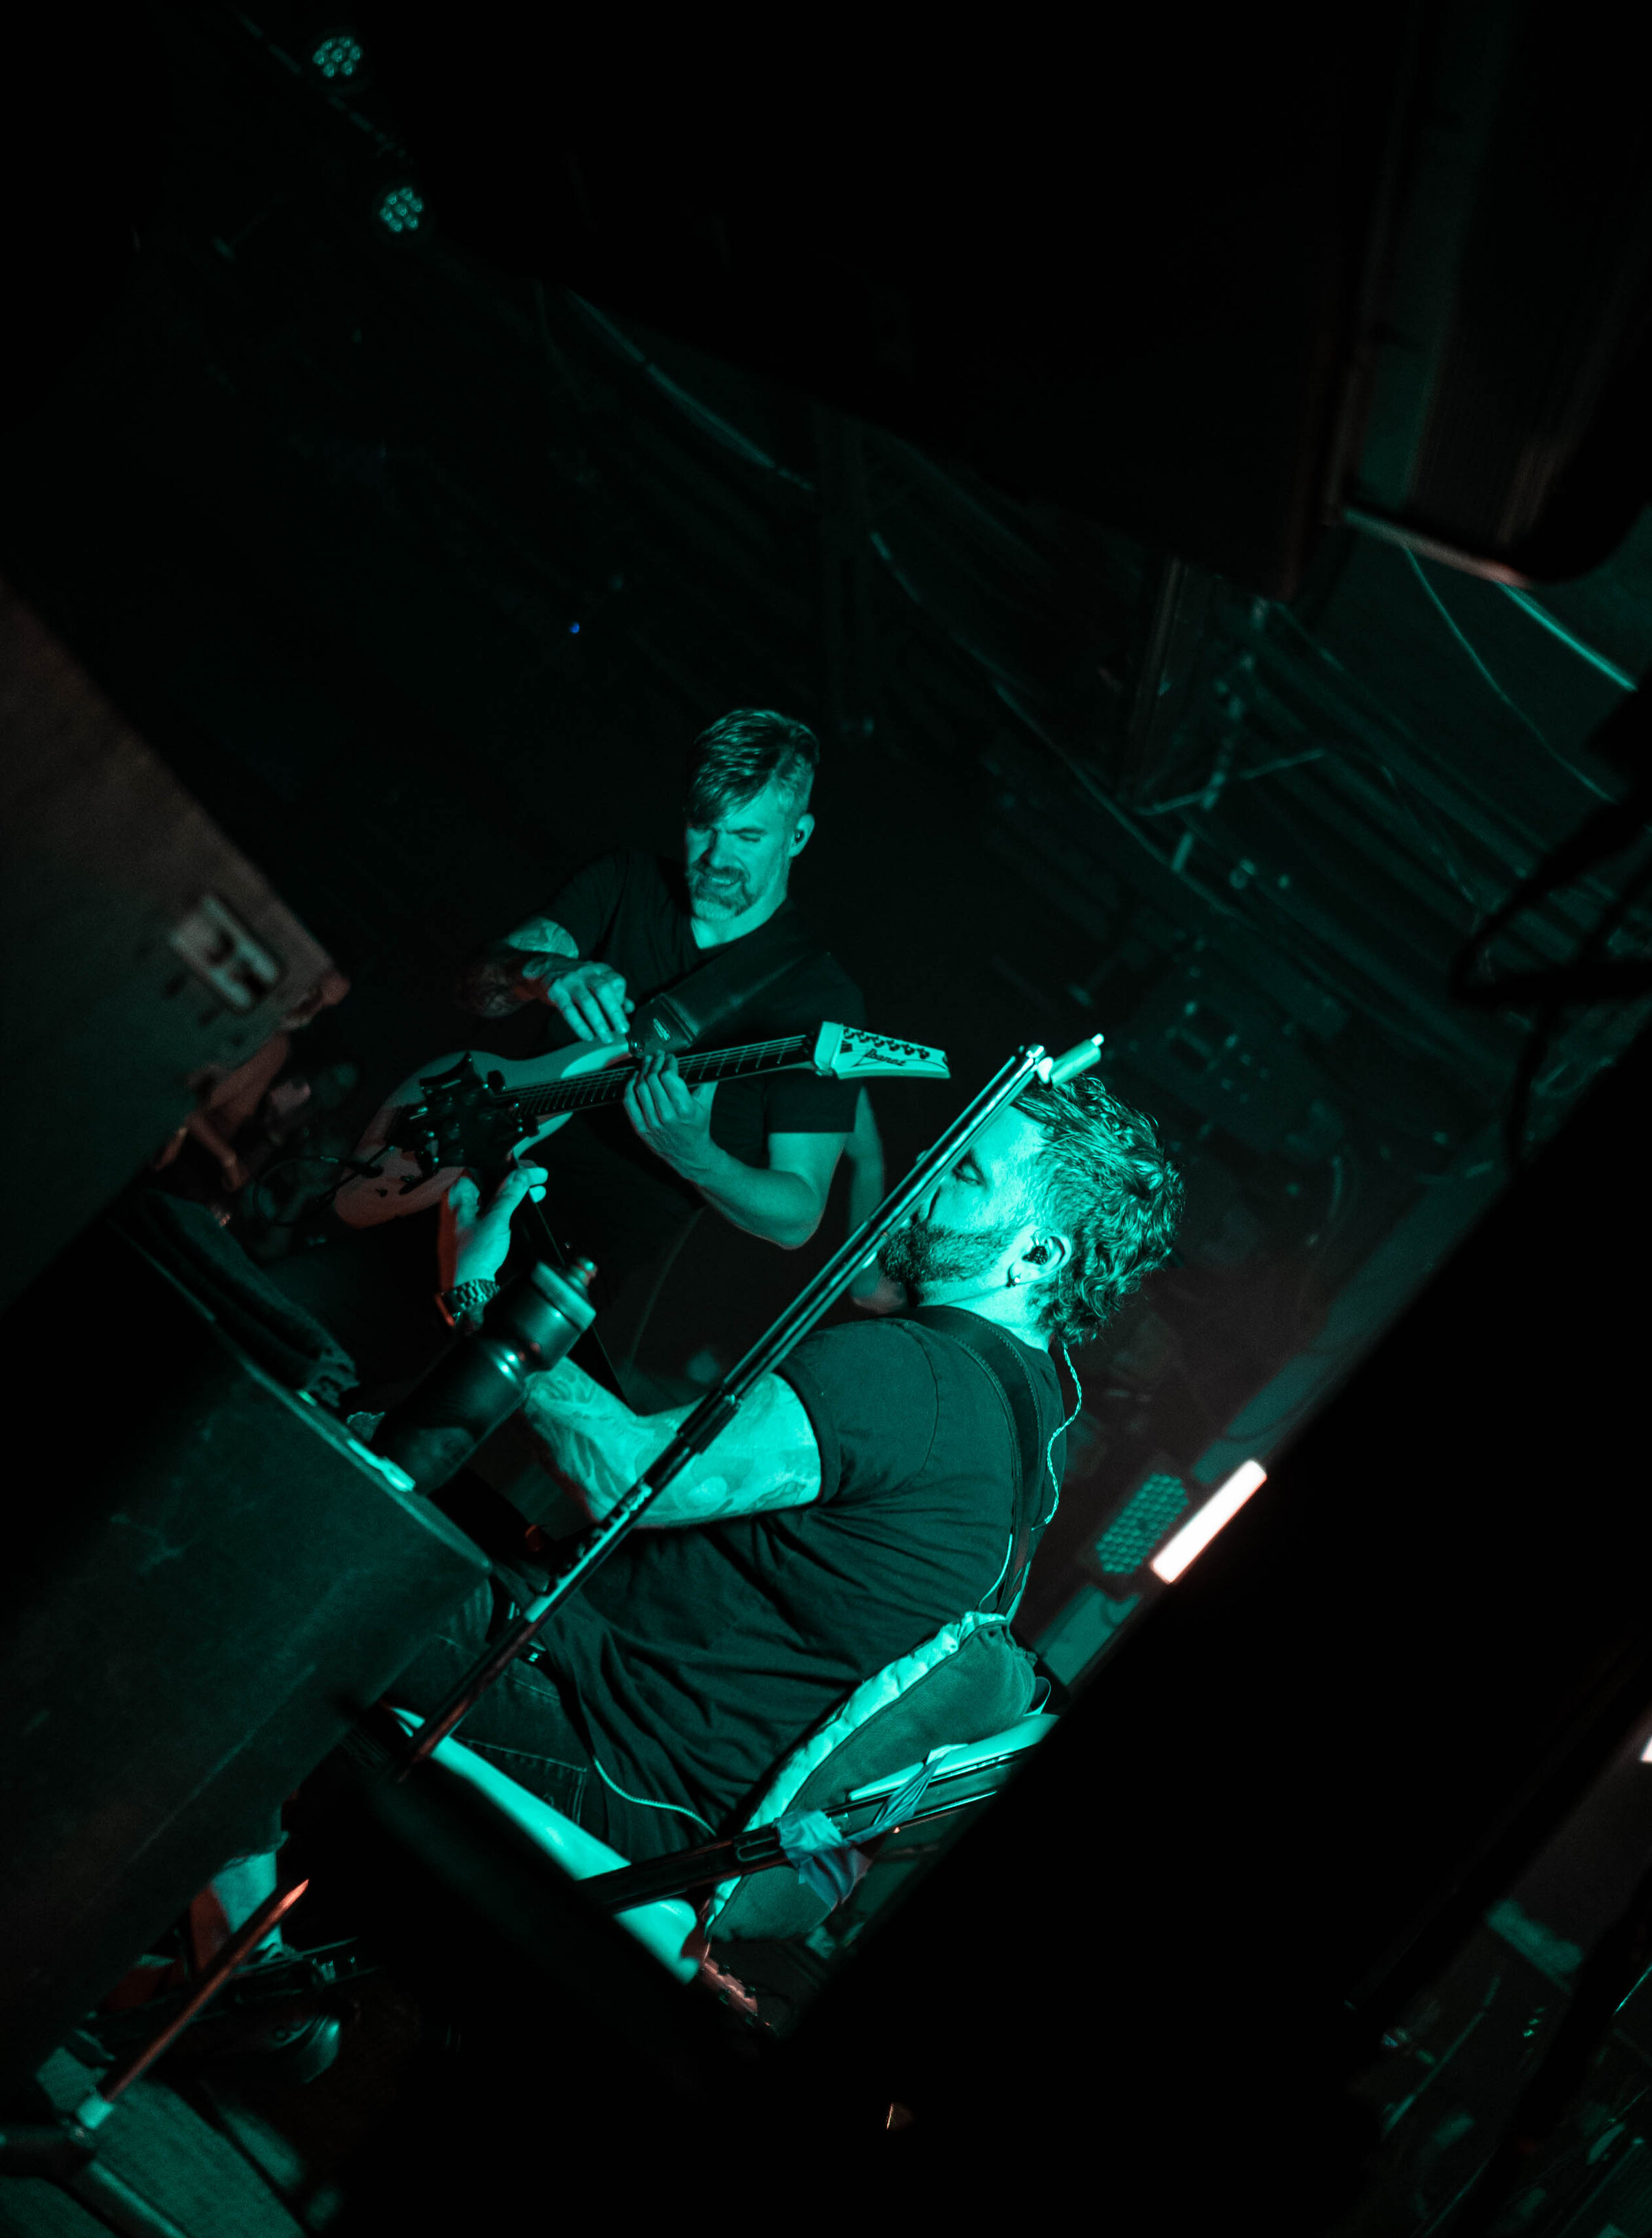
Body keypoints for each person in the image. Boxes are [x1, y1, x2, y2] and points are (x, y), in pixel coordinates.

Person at [383, 1068, 1185, 1861]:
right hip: (664, 1783)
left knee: (332, 1534)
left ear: (1036, 1255)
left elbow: (624, 1479)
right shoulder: (1028, 1421)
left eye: (967, 1172)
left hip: (601, 1744)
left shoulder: (913, 1377)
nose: (929, 1166)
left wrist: (479, 1293)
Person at [451, 706, 867, 1376]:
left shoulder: (817, 1000)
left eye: (748, 835)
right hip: (455, 1177)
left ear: (798, 835)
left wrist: (700, 1158)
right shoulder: (624, 882)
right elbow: (475, 984)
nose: (717, 858)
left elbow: (798, 1214)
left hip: (563, 1277)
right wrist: (543, 972)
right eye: (703, 826)